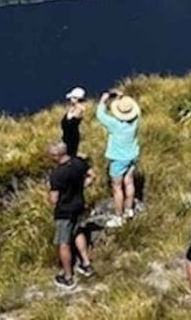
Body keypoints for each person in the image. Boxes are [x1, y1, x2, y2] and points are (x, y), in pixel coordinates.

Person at [46, 141, 95, 290]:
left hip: (64, 211)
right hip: (79, 205)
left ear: (56, 155)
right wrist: (81, 187)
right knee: (78, 231)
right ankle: (86, 264)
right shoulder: (79, 162)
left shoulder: (57, 175)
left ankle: (68, 277)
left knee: (64, 243)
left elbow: (54, 199)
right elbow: (92, 175)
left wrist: (48, 197)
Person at [96, 89, 141, 226]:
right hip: (132, 156)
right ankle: (129, 210)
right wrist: (121, 99)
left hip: (118, 159)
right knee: (129, 182)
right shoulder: (135, 120)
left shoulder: (115, 125)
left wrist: (103, 101)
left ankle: (118, 217)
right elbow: (134, 110)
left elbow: (100, 114)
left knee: (117, 188)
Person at [61, 87, 86, 157]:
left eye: (72, 98)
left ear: (76, 98)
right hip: (67, 136)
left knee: (70, 153)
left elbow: (72, 122)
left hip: (72, 136)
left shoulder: (79, 109)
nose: (70, 100)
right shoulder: (72, 109)